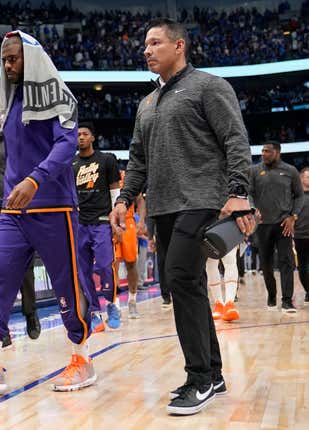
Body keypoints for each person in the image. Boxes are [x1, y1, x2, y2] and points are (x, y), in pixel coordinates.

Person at [110, 18, 255, 415]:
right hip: (162, 207)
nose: (146, 50)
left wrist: (239, 193)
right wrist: (124, 199)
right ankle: (214, 372)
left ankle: (199, 378)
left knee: (180, 280)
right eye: (144, 45)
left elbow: (235, 139)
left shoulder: (209, 86)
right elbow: (137, 160)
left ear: (179, 46)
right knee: (185, 285)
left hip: (202, 200)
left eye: (155, 42)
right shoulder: (147, 103)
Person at [0, 31, 94, 396]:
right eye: (5, 60)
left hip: (54, 206)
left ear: (33, 58)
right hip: (15, 211)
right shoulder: (10, 103)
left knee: (67, 285)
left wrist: (34, 179)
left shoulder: (60, 97)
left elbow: (65, 147)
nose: (8, 66)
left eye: (14, 59)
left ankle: (82, 358)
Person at [0, 91, 41, 341]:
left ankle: (30, 312)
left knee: (22, 269)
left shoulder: (15, 136)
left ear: (1, 111)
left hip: (15, 208)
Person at [72, 122, 122, 330]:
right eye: (78, 135)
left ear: (93, 137)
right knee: (82, 272)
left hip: (101, 220)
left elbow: (114, 190)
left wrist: (116, 217)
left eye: (85, 134)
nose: (81, 137)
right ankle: (94, 313)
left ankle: (111, 303)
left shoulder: (106, 160)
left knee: (104, 266)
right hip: (79, 223)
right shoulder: (70, 163)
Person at [249, 141, 303, 313]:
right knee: (265, 264)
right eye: (262, 150)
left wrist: (292, 216)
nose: (264, 154)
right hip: (263, 225)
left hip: (283, 224)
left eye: (268, 151)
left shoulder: (290, 171)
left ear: (277, 152)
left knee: (286, 262)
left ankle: (287, 300)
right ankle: (272, 295)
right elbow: (249, 192)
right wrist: (252, 208)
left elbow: (299, 196)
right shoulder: (255, 170)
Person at [113, 171, 146, 319]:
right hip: (111, 222)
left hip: (128, 222)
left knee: (131, 264)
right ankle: (116, 305)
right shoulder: (104, 176)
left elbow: (139, 200)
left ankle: (132, 302)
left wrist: (141, 221)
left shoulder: (127, 177)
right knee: (112, 265)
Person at [206, 246, 240, 321]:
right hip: (204, 234)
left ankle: (229, 303)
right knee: (210, 263)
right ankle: (219, 304)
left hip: (230, 234)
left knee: (230, 260)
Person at [294, 167, 309, 304]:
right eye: (308, 177)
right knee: (303, 266)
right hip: (300, 236)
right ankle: (308, 291)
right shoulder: (295, 197)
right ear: (301, 179)